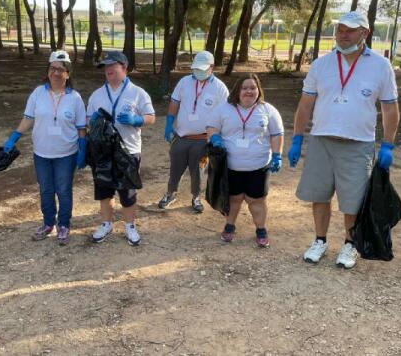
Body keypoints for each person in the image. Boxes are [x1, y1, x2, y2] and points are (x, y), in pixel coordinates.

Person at [288, 10, 400, 269]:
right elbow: (305, 105)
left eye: (350, 30)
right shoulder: (322, 64)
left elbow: (390, 108)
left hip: (357, 143)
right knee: (319, 195)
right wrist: (296, 138)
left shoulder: (380, 66)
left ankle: (350, 244)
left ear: (365, 33)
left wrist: (388, 144)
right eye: (340, 29)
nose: (343, 34)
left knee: (352, 200)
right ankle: (320, 240)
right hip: (321, 141)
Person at [2, 50, 86, 245]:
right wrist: (14, 136)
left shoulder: (75, 98)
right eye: (53, 68)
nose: (56, 73)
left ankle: (63, 225)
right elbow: (28, 118)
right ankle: (49, 223)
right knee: (46, 190)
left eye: (61, 69)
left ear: (68, 73)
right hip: (42, 153)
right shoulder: (38, 93)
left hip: (66, 153)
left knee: (63, 190)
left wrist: (82, 148)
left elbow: (81, 127)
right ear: (48, 71)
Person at [206, 73, 284, 247]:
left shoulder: (268, 110)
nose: (249, 91)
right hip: (231, 166)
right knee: (234, 199)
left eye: (253, 88)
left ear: (258, 90)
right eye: (245, 88)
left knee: (257, 201)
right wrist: (215, 138)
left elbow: (277, 134)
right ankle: (229, 226)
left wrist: (277, 155)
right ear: (237, 90)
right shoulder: (223, 109)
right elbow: (212, 127)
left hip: (259, 166)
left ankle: (261, 229)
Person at [86, 51, 155, 246]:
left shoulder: (138, 93)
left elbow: (151, 116)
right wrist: (94, 123)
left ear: (124, 68)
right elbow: (87, 119)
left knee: (127, 192)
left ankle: (130, 226)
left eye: (112, 66)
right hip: (103, 152)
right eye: (105, 67)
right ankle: (106, 224)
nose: (108, 70)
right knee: (104, 190)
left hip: (128, 150)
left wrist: (138, 119)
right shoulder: (97, 94)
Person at [158, 51, 229, 213]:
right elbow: (175, 102)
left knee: (197, 170)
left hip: (203, 139)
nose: (198, 72)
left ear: (211, 67)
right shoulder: (184, 82)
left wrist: (218, 137)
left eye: (202, 69)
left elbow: (225, 113)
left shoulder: (220, 88)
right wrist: (169, 123)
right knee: (175, 167)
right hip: (181, 136)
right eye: (196, 68)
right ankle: (170, 193)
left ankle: (196, 196)